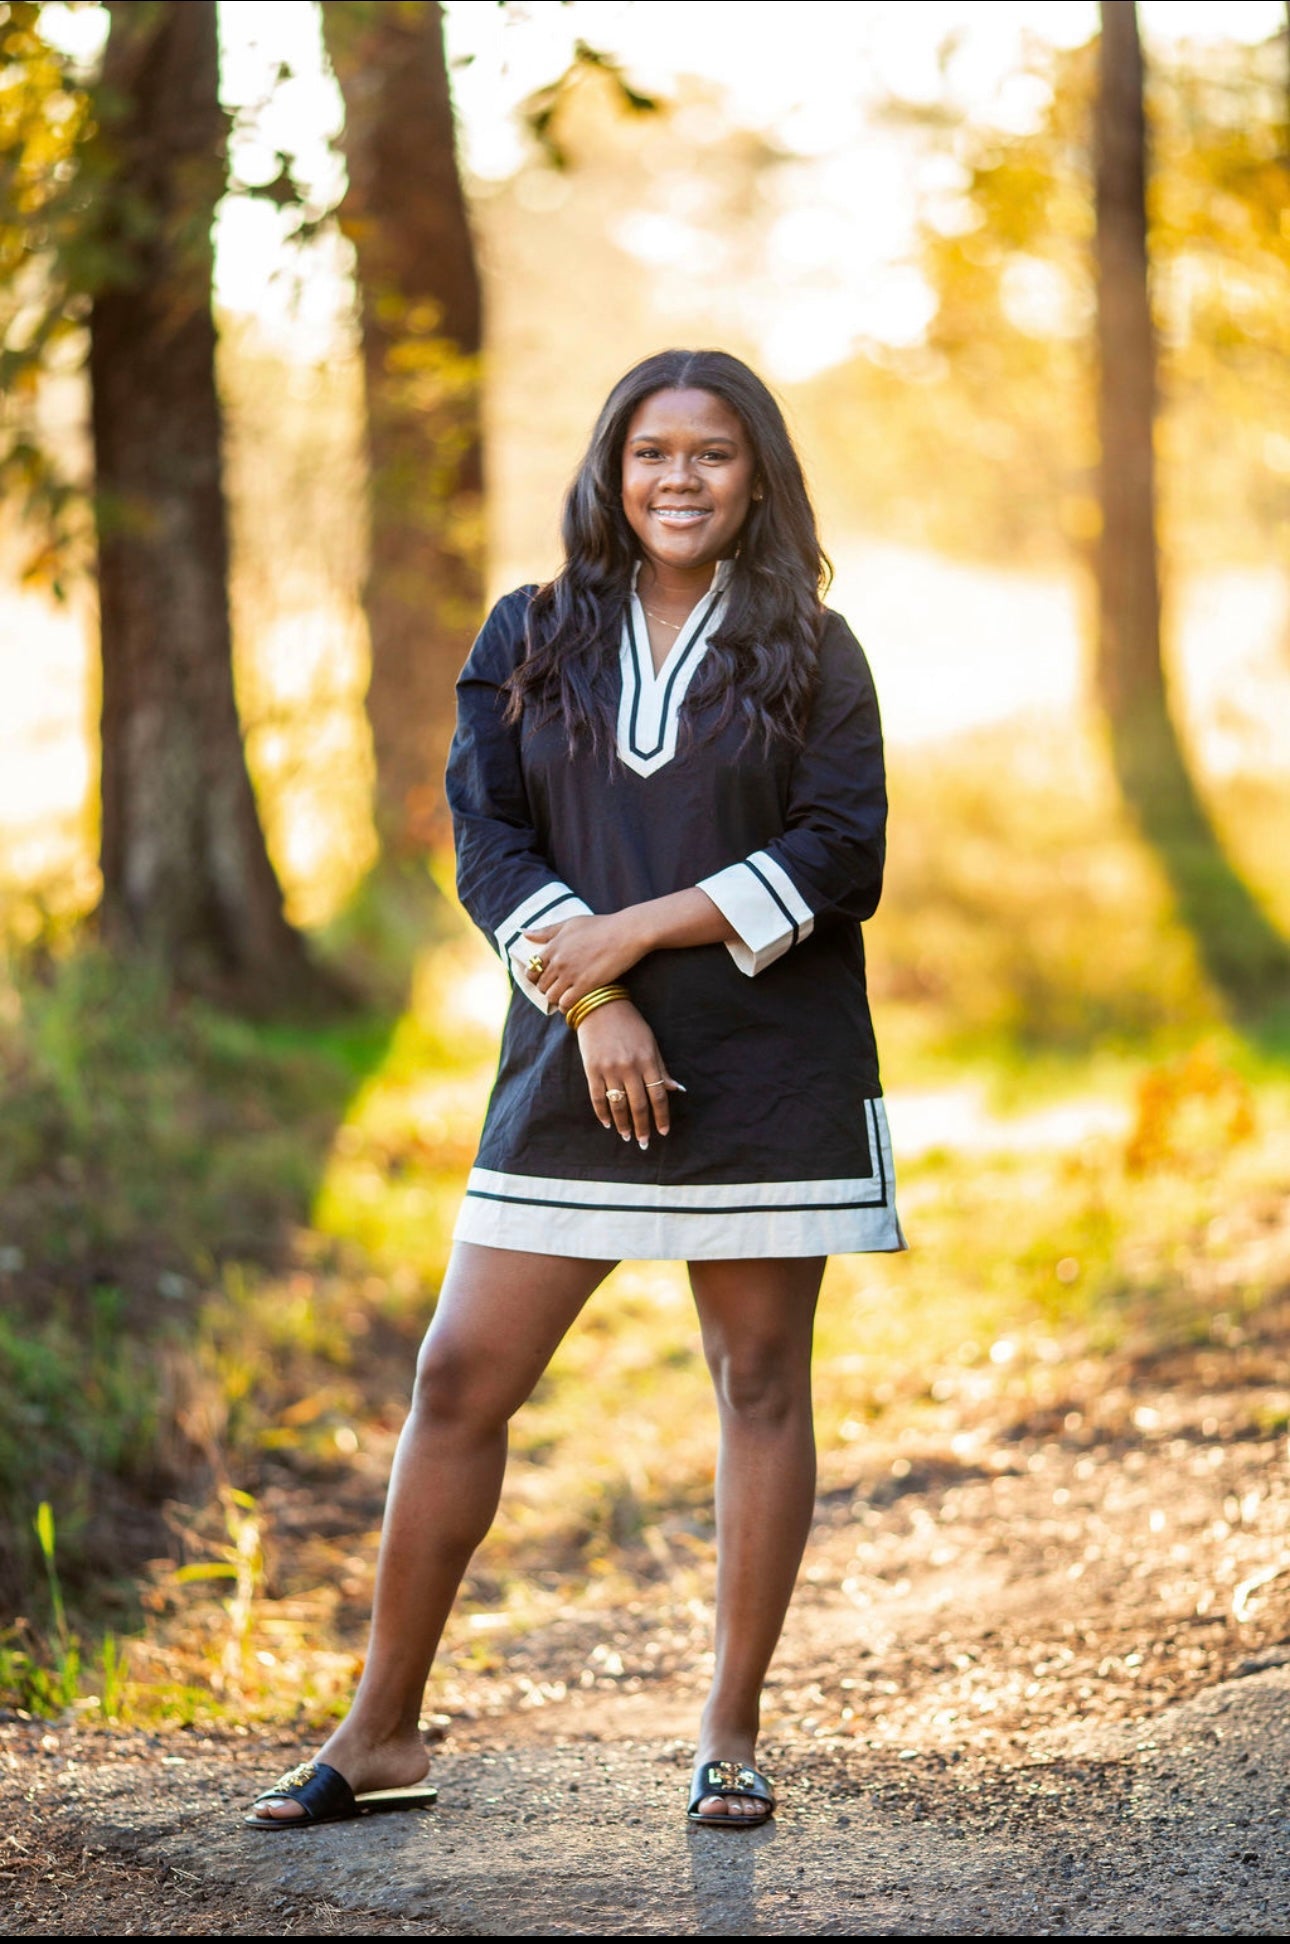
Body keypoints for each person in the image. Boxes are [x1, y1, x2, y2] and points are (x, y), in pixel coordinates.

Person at [246, 347, 904, 1835]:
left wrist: (643, 924)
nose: (680, 480)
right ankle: (381, 1730)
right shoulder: (531, 632)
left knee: (756, 1385)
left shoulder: (813, 644)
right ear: (612, 471)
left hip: (766, 1068)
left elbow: (840, 850)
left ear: (757, 477)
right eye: (652, 453)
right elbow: (483, 839)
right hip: (567, 1062)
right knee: (459, 1375)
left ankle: (730, 1733)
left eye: (713, 455)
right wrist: (596, 994)